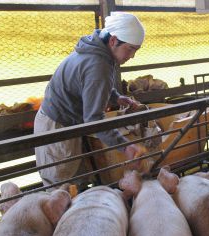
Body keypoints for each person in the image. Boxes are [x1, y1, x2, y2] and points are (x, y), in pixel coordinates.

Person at [34, 12, 147, 191]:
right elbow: (94, 120)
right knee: (60, 192)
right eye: (131, 48)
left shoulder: (97, 50)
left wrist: (116, 97)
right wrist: (126, 147)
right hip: (57, 128)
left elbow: (90, 85)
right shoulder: (98, 64)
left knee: (72, 185)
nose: (132, 56)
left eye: (136, 50)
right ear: (113, 40)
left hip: (63, 123)